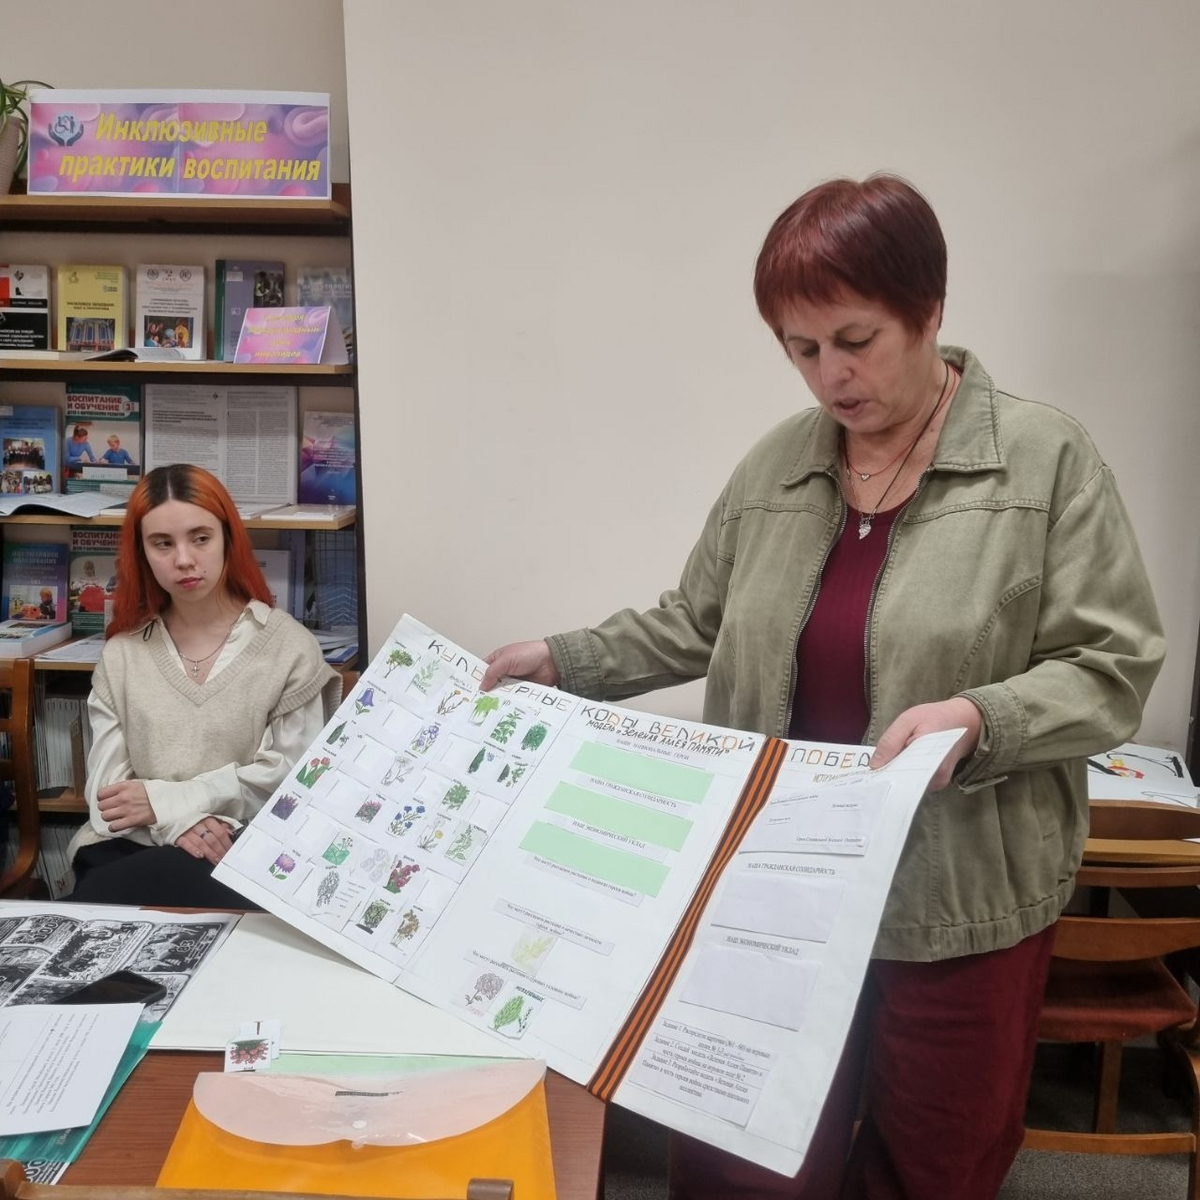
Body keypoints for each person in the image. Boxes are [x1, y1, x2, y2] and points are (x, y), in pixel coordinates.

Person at [481, 174, 1165, 1200]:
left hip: (955, 896)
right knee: (743, 1151)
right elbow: (697, 620)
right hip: (776, 888)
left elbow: (1112, 666)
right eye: (801, 349)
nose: (830, 376)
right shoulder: (777, 468)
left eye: (855, 340)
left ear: (928, 311)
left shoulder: (1044, 461)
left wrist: (984, 719)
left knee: (934, 1160)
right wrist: (565, 658)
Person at [65, 463, 340, 908]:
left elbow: (289, 780)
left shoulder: (289, 647)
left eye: (200, 538)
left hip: (244, 844)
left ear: (228, 539)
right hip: (133, 845)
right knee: (109, 891)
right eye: (162, 543)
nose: (184, 560)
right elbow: (108, 800)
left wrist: (167, 801)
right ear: (142, 552)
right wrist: (177, 823)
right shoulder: (122, 654)